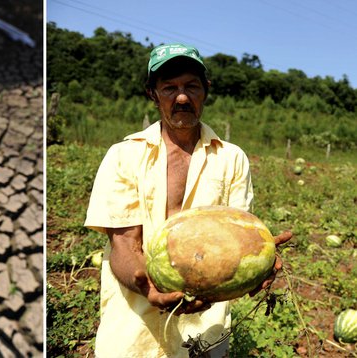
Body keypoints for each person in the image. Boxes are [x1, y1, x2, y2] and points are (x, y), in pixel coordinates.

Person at [84, 43, 292, 357]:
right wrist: (150, 289)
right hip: (134, 319)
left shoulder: (232, 159)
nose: (182, 97)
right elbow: (125, 245)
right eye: (169, 88)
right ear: (152, 94)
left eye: (191, 86)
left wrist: (260, 260)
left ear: (205, 91)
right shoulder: (123, 156)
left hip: (205, 325)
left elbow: (238, 240)